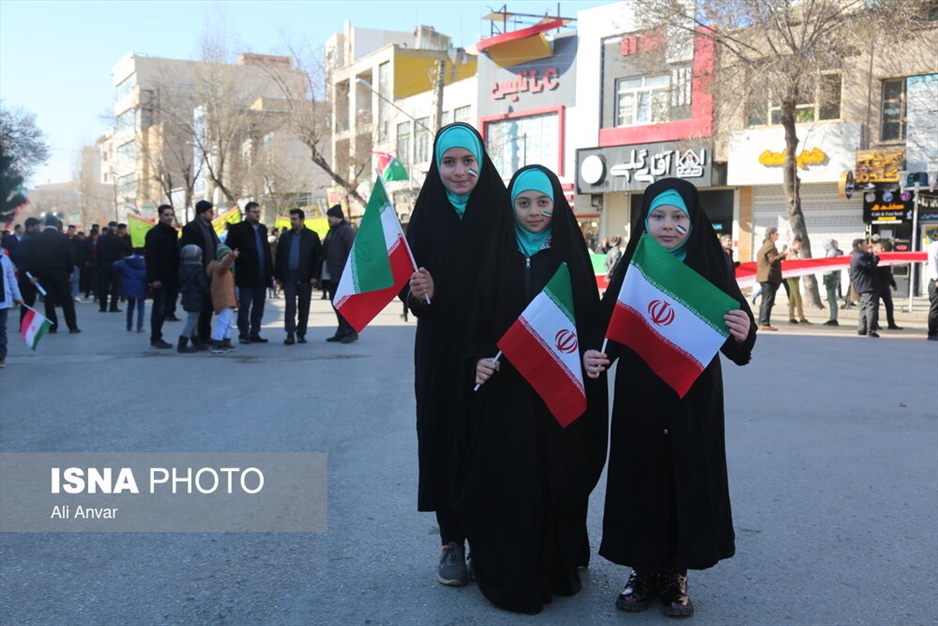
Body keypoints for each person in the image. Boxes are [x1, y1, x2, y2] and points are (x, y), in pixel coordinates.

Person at [583, 178, 755, 618]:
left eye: (679, 217)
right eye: (658, 216)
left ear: (694, 222)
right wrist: (596, 356)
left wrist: (743, 332)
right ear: (645, 221)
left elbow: (737, 339)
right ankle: (642, 570)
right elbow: (610, 324)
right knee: (641, 473)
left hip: (692, 394)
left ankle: (677, 572)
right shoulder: (634, 266)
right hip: (640, 393)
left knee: (685, 473)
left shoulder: (710, 265)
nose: (668, 226)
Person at [458, 165, 608, 614]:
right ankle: (511, 567)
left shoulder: (570, 255)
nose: (535, 212)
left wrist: (585, 353)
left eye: (544, 202)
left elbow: (588, 318)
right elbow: (478, 319)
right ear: (511, 207)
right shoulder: (497, 252)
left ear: (557, 205)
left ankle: (558, 565)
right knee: (513, 480)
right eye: (524, 203)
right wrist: (479, 358)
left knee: (556, 478)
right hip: (508, 395)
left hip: (556, 390)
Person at [400, 122, 508, 587]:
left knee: (493, 439)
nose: (460, 172)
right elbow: (413, 294)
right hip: (442, 351)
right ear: (436, 167)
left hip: (495, 349)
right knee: (445, 437)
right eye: (449, 162)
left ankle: (493, 536)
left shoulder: (503, 212)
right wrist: (420, 293)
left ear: (482, 164)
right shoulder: (424, 219)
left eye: (468, 161)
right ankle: (452, 541)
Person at [24, 215, 82, 335]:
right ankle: (72, 326)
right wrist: (70, 271)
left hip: (43, 273)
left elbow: (31, 258)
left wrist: (35, 274)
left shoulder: (37, 238)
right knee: (66, 299)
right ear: (57, 225)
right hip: (61, 273)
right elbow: (70, 256)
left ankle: (52, 327)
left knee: (48, 300)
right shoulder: (63, 238)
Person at [226, 201, 273, 344]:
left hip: (262, 274)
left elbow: (266, 251)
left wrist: (271, 271)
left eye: (259, 212)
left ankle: (255, 332)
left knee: (259, 306)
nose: (257, 214)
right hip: (246, 274)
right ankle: (243, 333)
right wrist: (240, 258)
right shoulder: (238, 229)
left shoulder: (262, 229)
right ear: (246, 213)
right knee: (245, 305)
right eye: (254, 212)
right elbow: (229, 249)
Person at [274, 208, 322, 345]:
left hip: (306, 277)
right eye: (291, 219)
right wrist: (278, 276)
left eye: (295, 219)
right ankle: (290, 333)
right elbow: (279, 257)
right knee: (290, 305)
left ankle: (301, 333)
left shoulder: (312, 236)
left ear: (302, 220)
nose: (292, 222)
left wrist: (315, 275)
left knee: (304, 306)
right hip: (289, 276)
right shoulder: (285, 236)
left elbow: (317, 257)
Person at [180, 200, 220, 346]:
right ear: (201, 213)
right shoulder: (191, 228)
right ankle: (193, 338)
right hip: (197, 272)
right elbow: (189, 251)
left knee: (208, 306)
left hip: (210, 272)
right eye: (210, 211)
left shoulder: (210, 227)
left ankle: (205, 335)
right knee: (197, 309)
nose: (212, 214)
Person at [145, 205, 182, 349]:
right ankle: (156, 338)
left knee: (165, 308)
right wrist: (154, 278)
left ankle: (158, 336)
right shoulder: (154, 233)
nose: (169, 217)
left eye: (171, 215)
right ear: (160, 216)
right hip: (160, 277)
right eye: (166, 215)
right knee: (158, 308)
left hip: (171, 276)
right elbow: (151, 257)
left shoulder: (172, 233)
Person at [320, 205, 356, 343]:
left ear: (337, 217)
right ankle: (341, 330)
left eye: (330, 216)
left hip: (341, 275)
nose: (328, 219)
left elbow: (351, 251)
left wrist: (346, 273)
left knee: (344, 305)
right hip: (332, 275)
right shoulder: (333, 231)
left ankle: (351, 331)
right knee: (336, 304)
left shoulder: (346, 231)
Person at [177, 244, 210, 354]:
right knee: (192, 320)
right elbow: (203, 284)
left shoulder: (182, 267)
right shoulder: (198, 269)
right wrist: (209, 294)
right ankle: (182, 342)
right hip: (197, 297)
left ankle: (196, 341)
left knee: (194, 319)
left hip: (187, 296)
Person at [207, 245, 239, 354]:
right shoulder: (219, 268)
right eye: (226, 256)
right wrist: (232, 256)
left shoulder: (226, 270)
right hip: (224, 299)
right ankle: (217, 342)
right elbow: (224, 265)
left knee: (229, 322)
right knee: (223, 321)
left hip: (228, 299)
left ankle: (226, 342)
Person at [755, 226, 788, 330]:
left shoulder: (766, 245)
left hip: (765, 277)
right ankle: (764, 323)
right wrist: (784, 254)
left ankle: (762, 322)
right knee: (768, 301)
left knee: (765, 300)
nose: (777, 235)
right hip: (769, 277)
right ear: (771, 235)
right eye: (776, 233)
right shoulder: (770, 246)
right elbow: (773, 260)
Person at [96, 220, 130, 312]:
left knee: (104, 286)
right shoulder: (118, 239)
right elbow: (127, 248)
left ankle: (103, 307)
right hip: (116, 264)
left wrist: (99, 264)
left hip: (104, 264)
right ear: (116, 229)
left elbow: (97, 252)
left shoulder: (101, 239)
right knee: (116, 286)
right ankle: (113, 306)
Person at [112, 248, 148, 334]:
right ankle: (139, 327)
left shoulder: (126, 262)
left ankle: (129, 325)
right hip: (142, 286)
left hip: (129, 286)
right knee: (141, 308)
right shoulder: (146, 262)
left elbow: (115, 265)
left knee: (130, 306)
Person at [849, 238, 880, 337]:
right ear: (859, 245)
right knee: (871, 306)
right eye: (865, 244)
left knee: (863, 306)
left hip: (862, 285)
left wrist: (871, 254)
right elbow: (870, 266)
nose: (867, 246)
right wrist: (876, 257)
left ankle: (862, 329)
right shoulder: (859, 256)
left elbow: (867, 258)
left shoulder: (857, 255)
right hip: (866, 285)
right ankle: (871, 330)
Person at [0, 249, 25, 368]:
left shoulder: (5, 259)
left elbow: (11, 279)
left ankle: (1, 356)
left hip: (2, 301)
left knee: (1, 328)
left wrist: (17, 296)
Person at [15, 218, 41, 326]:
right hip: (27, 276)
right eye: (36, 226)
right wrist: (32, 275)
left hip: (27, 274)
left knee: (29, 300)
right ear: (30, 227)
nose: (39, 228)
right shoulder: (28, 240)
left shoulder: (29, 238)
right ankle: (24, 324)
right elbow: (26, 259)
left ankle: (25, 324)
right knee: (28, 300)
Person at [873, 240, 902, 330]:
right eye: (881, 248)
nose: (884, 249)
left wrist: (893, 284)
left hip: (885, 285)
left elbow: (888, 273)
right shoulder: (873, 258)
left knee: (889, 305)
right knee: (875, 306)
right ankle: (875, 323)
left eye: (883, 248)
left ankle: (891, 323)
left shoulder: (886, 258)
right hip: (875, 285)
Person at [785, 237, 810, 324]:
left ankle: (791, 316)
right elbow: (795, 260)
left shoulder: (795, 252)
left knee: (792, 298)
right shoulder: (791, 251)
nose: (800, 246)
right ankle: (801, 317)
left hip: (794, 277)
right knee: (798, 297)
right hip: (791, 277)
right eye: (799, 244)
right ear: (794, 244)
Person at [822, 239, 842, 326]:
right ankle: (832, 317)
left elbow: (831, 266)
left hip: (831, 277)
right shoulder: (831, 252)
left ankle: (833, 318)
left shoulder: (832, 252)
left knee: (832, 298)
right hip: (831, 277)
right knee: (831, 299)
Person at [927, 238, 938, 341]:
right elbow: (933, 263)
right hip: (936, 281)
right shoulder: (934, 246)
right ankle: (932, 332)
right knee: (935, 308)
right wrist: (936, 279)